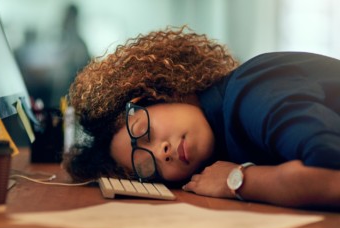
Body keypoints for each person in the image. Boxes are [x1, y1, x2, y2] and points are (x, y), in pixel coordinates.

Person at [63, 26, 340, 209]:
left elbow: (331, 179)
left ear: (157, 94)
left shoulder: (251, 92)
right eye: (148, 166)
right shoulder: (225, 138)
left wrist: (238, 180)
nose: (163, 153)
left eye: (144, 131)